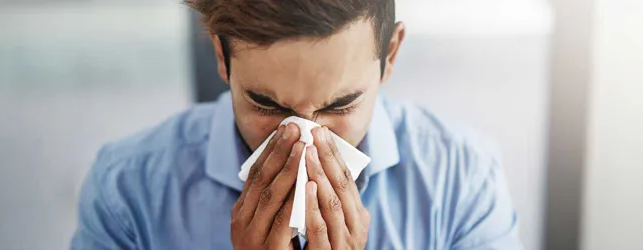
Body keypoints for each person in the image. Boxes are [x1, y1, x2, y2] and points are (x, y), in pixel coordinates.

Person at [70, 0, 523, 249]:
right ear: (220, 58)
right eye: (265, 103)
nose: (306, 140)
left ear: (390, 56)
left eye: (341, 104)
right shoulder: (128, 193)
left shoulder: (461, 181)